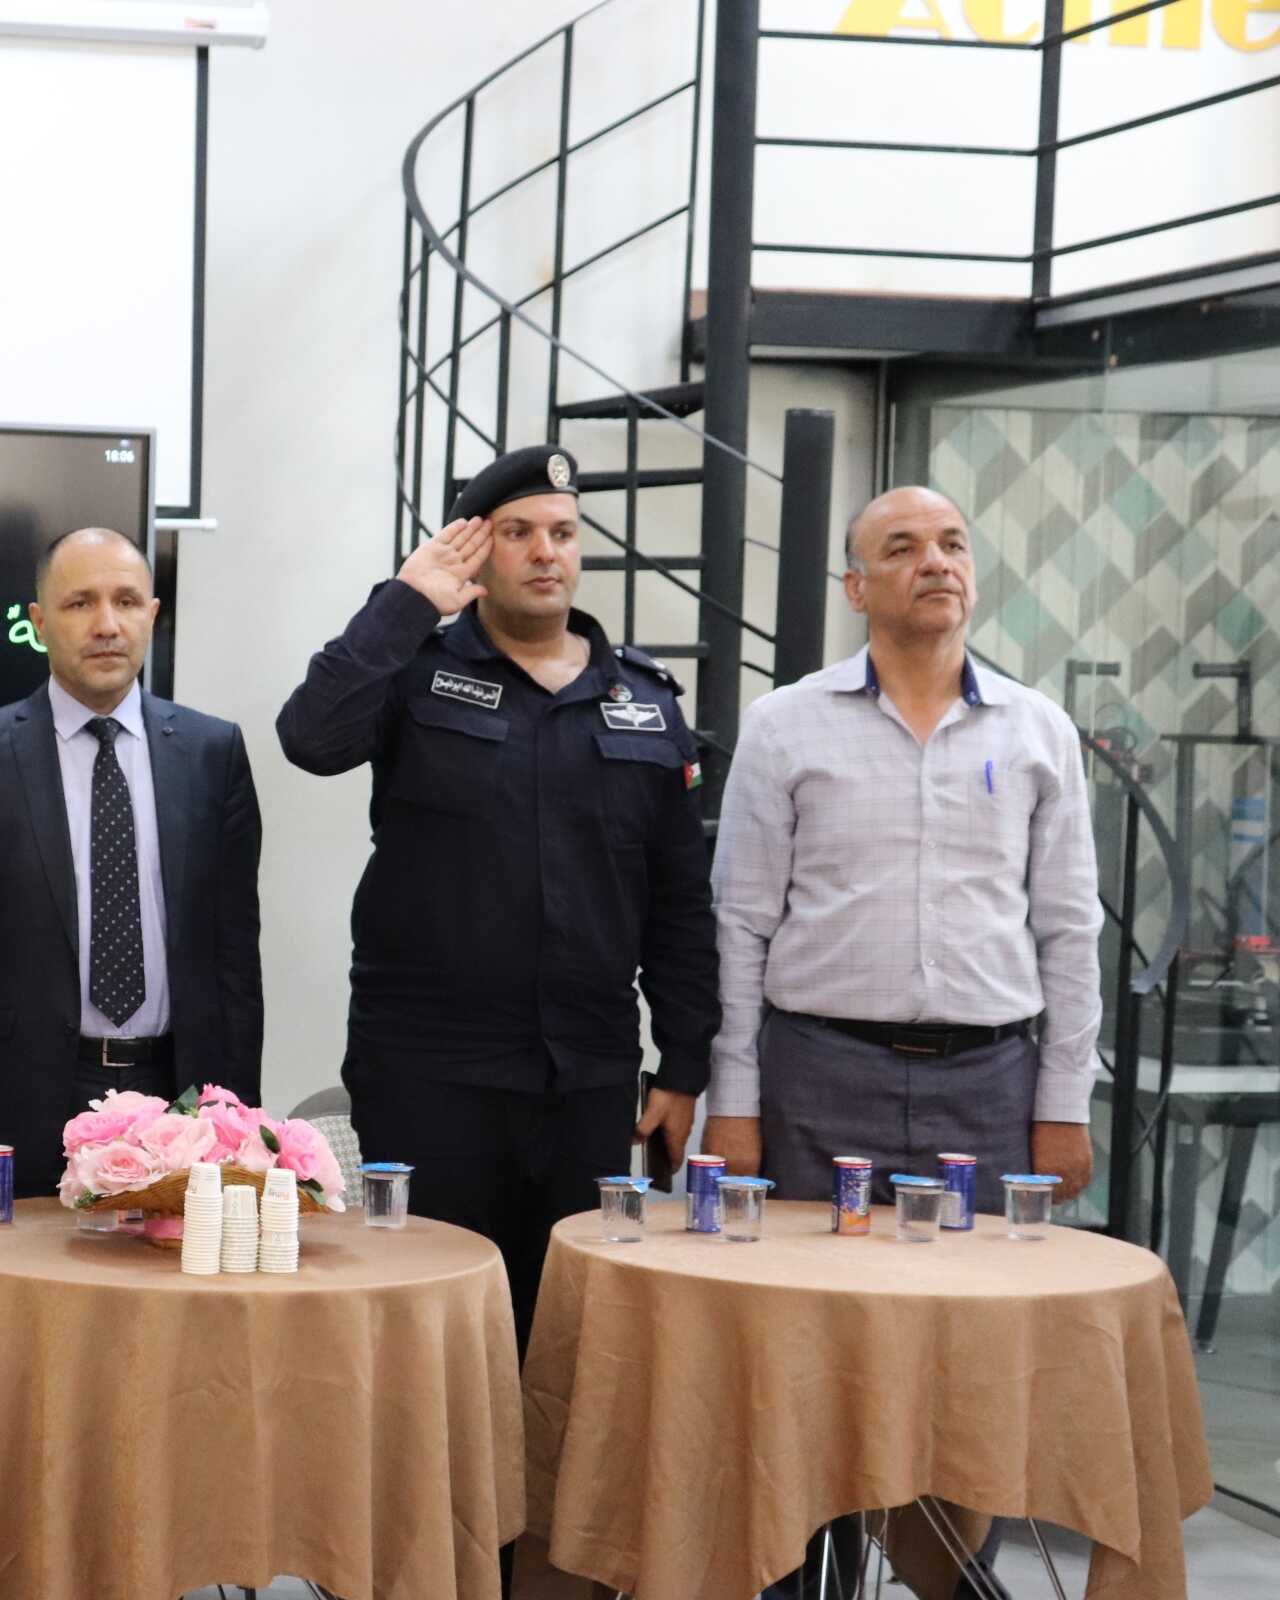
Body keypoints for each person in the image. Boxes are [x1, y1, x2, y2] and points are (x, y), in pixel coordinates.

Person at [705, 484, 1100, 1600]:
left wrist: (1062, 1103)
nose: (936, 561)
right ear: (856, 586)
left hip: (990, 1087)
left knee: (968, 1369)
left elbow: (1071, 929)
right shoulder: (787, 725)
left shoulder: (1037, 731)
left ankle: (948, 1581)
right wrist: (735, 1099)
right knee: (799, 1357)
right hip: (817, 1077)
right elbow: (739, 924)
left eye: (952, 543)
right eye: (903, 546)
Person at [275, 445, 716, 1348]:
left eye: (563, 533)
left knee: (573, 1330)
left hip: (586, 1079)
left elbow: (678, 903)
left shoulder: (646, 701)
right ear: (476, 550)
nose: (546, 552)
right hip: (431, 1075)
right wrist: (406, 602)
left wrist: (683, 1065)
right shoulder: (413, 669)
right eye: (517, 533)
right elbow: (310, 737)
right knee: (426, 1328)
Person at [0, 527, 263, 1193]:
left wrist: (237, 1116)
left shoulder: (212, 754)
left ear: (152, 615)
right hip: (27, 1097)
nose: (106, 625)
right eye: (79, 603)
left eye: (126, 601)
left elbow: (236, 960)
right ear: (39, 622)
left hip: (181, 1096)